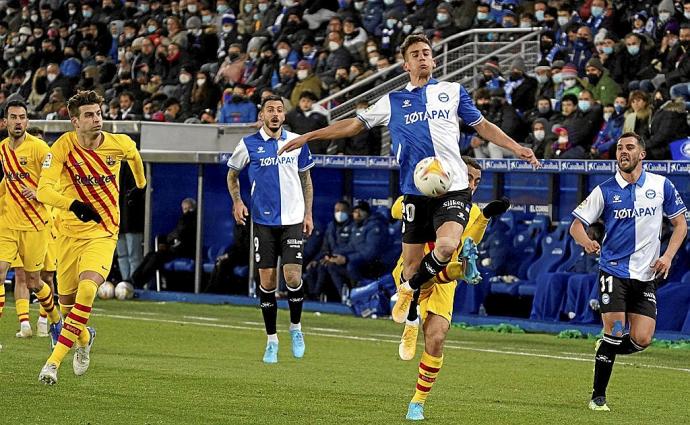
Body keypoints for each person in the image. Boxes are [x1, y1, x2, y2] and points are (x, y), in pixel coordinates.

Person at [278, 33, 538, 421]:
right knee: (414, 268)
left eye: (427, 53)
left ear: (434, 60)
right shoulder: (393, 101)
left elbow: (483, 127)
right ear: (405, 64)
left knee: (449, 247)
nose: (423, 58)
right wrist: (310, 136)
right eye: (415, 55)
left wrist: (517, 147)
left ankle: (415, 314)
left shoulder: (453, 91)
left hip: (450, 188)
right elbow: (353, 126)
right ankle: (411, 290)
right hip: (415, 194)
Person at [570, 132, 687, 411]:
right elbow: (576, 225)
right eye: (620, 148)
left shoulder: (662, 186)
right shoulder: (605, 190)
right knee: (616, 330)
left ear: (642, 154)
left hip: (646, 275)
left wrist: (668, 256)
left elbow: (680, 224)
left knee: (642, 339)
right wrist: (586, 242)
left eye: (630, 147)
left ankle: (605, 350)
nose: (623, 151)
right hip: (613, 270)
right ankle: (598, 397)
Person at [36, 90, 146, 385]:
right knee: (69, 307)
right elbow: (43, 191)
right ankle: (84, 338)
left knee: (88, 291)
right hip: (68, 235)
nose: (96, 119)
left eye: (98, 113)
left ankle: (52, 363)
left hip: (103, 231)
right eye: (88, 115)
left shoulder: (117, 143)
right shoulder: (61, 148)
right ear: (75, 121)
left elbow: (134, 155)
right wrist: (73, 205)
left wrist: (139, 184)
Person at [391, 156, 510, 361]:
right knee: (425, 272)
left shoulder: (470, 210)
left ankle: (420, 395)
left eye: (477, 182)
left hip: (445, 276)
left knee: (436, 338)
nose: (472, 185)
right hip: (413, 263)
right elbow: (396, 210)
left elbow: (465, 244)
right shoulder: (423, 194)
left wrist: (484, 216)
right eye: (468, 177)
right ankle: (411, 315)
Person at [227, 95, 315, 364]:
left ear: (284, 116)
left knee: (291, 277)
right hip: (263, 223)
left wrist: (308, 214)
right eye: (270, 110)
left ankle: (296, 329)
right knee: (266, 282)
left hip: (292, 220)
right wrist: (238, 201)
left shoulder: (297, 142)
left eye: (279, 110)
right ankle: (271, 340)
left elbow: (306, 181)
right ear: (262, 115)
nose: (275, 114)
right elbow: (232, 174)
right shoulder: (248, 144)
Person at [0, 100, 63, 348]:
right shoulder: (2, 149)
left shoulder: (39, 149)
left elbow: (55, 180)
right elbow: (8, 182)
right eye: (13, 117)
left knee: (36, 281)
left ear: (27, 121)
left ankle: (55, 321)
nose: (18, 121)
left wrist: (38, 192)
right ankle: (24, 323)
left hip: (36, 224)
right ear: (5, 121)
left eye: (22, 117)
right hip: (7, 224)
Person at [130, 198, 197, 290]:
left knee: (157, 257)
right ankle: (134, 279)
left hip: (184, 250)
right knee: (151, 255)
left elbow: (180, 233)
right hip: (177, 248)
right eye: (184, 208)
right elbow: (176, 234)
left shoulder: (189, 218)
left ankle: (138, 281)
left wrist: (168, 243)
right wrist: (168, 243)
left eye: (186, 208)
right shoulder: (187, 219)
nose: (185, 211)